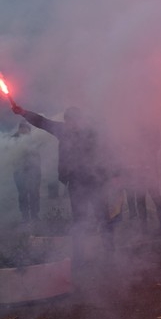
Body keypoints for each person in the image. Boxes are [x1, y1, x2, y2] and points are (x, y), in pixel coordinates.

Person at [11, 102, 114, 261]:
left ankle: (109, 251)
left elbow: (104, 155)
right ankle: (79, 256)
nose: (70, 124)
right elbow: (42, 122)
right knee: (79, 220)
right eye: (68, 121)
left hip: (95, 182)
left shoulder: (92, 133)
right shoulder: (64, 131)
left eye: (73, 121)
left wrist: (107, 177)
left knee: (102, 217)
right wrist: (23, 112)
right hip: (76, 183)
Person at [10, 121, 42, 223]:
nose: (25, 131)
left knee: (34, 193)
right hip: (19, 171)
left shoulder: (33, 140)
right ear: (20, 129)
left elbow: (37, 155)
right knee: (23, 194)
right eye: (23, 129)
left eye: (27, 130)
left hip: (34, 170)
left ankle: (35, 215)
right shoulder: (13, 140)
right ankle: (25, 216)